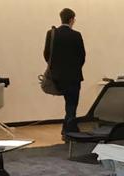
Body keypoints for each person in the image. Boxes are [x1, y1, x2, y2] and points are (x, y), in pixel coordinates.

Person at [44, 8, 86, 136]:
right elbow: (82, 56)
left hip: (57, 77)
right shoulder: (76, 35)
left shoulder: (51, 34)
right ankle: (69, 129)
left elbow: (46, 54)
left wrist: (55, 68)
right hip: (73, 77)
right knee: (72, 104)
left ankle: (69, 127)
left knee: (69, 104)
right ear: (71, 19)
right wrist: (76, 68)